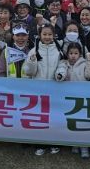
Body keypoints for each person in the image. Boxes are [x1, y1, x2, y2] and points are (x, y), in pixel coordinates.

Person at [23, 24, 66, 156]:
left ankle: (54, 142)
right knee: (40, 117)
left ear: (54, 35)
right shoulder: (33, 51)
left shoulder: (58, 50)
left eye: (49, 34)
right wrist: (32, 62)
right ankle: (39, 143)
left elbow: (62, 65)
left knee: (53, 117)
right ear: (40, 35)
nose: (47, 37)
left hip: (54, 90)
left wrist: (60, 74)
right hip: (38, 90)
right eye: (44, 34)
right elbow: (29, 72)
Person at [55, 42, 90, 159]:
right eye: (71, 53)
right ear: (67, 54)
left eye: (76, 53)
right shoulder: (63, 63)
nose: (73, 56)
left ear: (80, 54)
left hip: (82, 98)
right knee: (72, 122)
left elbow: (89, 74)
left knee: (82, 123)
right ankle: (75, 143)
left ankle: (84, 146)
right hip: (69, 98)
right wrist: (60, 75)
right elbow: (60, 71)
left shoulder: (84, 63)